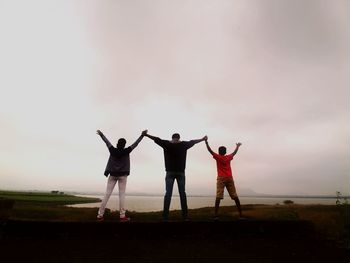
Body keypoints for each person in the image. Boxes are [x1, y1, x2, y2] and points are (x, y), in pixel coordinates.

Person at [145, 132, 207, 221]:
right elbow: (193, 142)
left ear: (172, 138)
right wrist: (202, 139)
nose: (176, 141)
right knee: (182, 194)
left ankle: (165, 217)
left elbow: (156, 139)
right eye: (176, 140)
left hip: (170, 172)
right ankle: (185, 217)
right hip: (180, 173)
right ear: (179, 138)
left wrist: (146, 135)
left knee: (168, 194)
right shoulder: (184, 144)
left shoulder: (166, 143)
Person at [96, 129, 147, 222]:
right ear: (124, 144)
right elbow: (136, 143)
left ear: (117, 143)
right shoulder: (127, 150)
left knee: (107, 195)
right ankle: (122, 216)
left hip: (112, 175)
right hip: (123, 176)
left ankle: (100, 215)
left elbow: (106, 142)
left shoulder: (112, 150)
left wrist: (101, 134)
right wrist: (142, 135)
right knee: (122, 195)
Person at [205, 138, 243, 220]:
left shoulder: (217, 157)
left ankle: (215, 216)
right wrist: (237, 146)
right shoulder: (228, 157)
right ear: (225, 152)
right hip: (229, 177)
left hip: (221, 178)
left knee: (218, 196)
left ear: (219, 152)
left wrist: (206, 142)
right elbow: (234, 153)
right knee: (235, 196)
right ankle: (240, 215)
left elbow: (210, 150)